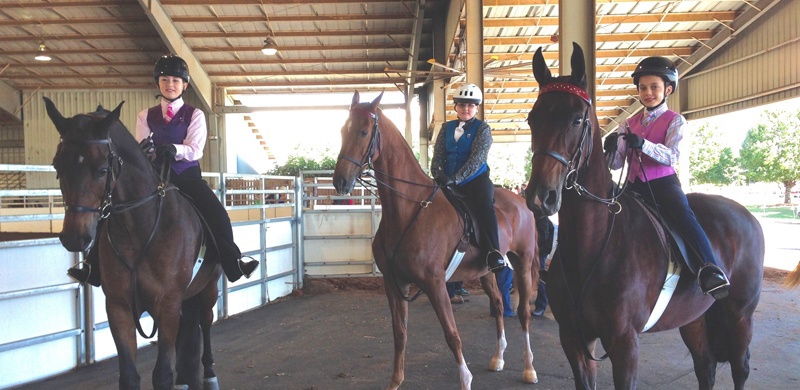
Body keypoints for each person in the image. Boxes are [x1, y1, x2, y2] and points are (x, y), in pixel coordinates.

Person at [67, 54, 259, 286]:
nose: (170, 85)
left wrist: (174, 149)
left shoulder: (195, 115)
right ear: (158, 83)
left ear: (184, 85)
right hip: (153, 176)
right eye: (165, 80)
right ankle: (92, 266)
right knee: (110, 211)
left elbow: (196, 149)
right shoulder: (145, 115)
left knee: (217, 213)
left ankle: (233, 262)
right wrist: (147, 151)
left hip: (186, 176)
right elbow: (141, 148)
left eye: (176, 81)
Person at [602, 56, 730, 300]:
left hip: (662, 184)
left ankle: (709, 268)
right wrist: (609, 150)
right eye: (643, 88)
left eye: (654, 87)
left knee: (683, 215)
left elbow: (673, 156)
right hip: (632, 186)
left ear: (667, 89)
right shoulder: (626, 124)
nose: (648, 92)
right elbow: (617, 163)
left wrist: (644, 145)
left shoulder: (675, 120)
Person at [431, 83, 505, 273]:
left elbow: (477, 159)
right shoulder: (446, 127)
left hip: (474, 181)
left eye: (470, 105)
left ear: (476, 108)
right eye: (462, 105)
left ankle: (493, 252)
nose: (466, 109)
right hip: (447, 179)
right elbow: (438, 155)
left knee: (485, 207)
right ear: (455, 106)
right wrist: (438, 173)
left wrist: (455, 179)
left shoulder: (483, 129)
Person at [532, 216, 555, 316]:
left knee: (540, 279)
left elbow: (542, 237)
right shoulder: (539, 216)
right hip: (536, 251)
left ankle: (541, 306)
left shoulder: (541, 218)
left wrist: (536, 252)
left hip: (539, 252)